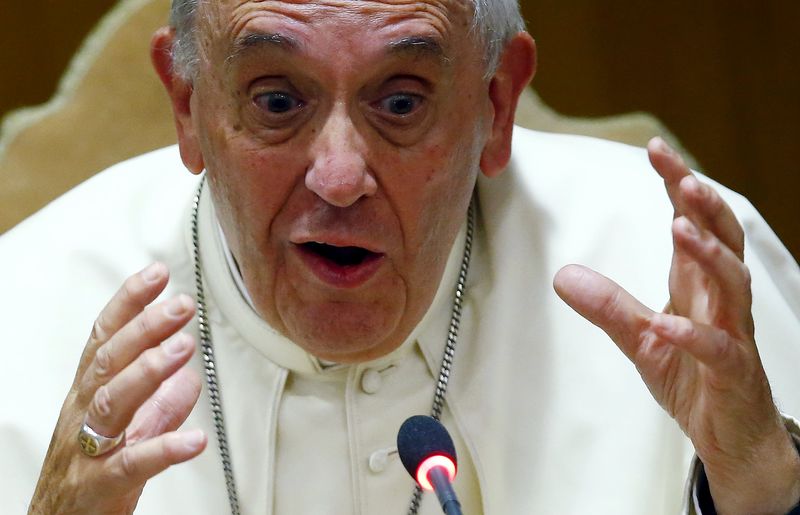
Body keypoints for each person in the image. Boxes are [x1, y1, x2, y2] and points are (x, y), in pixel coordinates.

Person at [1, 0, 799, 513]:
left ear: (495, 103)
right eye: (278, 101)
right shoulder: (23, 309)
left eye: (401, 101)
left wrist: (762, 486)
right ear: (189, 103)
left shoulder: (682, 274)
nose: (340, 176)